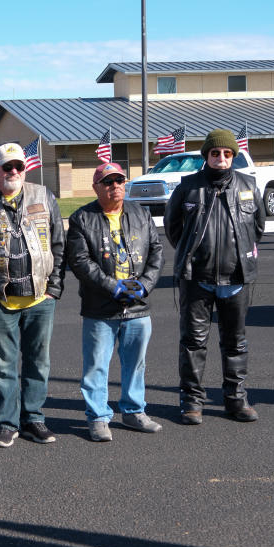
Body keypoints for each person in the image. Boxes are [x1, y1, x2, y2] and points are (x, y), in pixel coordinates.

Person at [0, 142, 65, 447]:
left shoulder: (44, 196)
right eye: (8, 167)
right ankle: (8, 422)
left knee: (38, 362)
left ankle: (34, 419)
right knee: (5, 365)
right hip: (1, 301)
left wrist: (54, 289)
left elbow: (59, 245)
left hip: (40, 299)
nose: (14, 172)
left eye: (19, 166)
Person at [164, 128, 265, 425]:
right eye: (215, 153)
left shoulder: (248, 185)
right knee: (193, 343)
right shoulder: (188, 187)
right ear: (206, 156)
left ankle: (236, 399)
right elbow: (174, 229)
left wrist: (240, 253)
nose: (221, 158)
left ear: (233, 156)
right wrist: (195, 253)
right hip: (197, 278)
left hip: (236, 278)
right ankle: (191, 402)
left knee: (235, 342)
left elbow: (256, 228)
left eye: (227, 154)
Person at [66, 162, 164, 442]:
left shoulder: (141, 214)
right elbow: (80, 262)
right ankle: (97, 417)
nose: (115, 186)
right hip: (101, 308)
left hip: (137, 307)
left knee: (136, 364)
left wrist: (144, 286)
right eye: (108, 182)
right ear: (96, 187)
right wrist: (113, 288)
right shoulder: (82, 219)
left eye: (119, 181)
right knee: (96, 365)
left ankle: (134, 411)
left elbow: (157, 251)